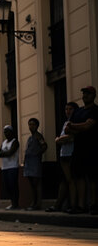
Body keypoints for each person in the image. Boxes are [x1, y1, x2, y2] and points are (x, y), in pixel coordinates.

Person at [66, 86, 98, 214]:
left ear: (93, 96)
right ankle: (81, 205)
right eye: (84, 93)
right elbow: (69, 130)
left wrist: (74, 126)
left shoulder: (95, 110)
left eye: (88, 93)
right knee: (78, 177)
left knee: (93, 178)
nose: (85, 95)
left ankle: (94, 205)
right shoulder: (78, 111)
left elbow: (87, 126)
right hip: (78, 148)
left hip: (92, 148)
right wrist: (76, 128)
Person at [48, 102, 79, 213]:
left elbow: (70, 138)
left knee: (71, 180)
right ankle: (59, 205)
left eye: (70, 109)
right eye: (66, 109)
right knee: (64, 181)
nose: (68, 111)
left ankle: (73, 205)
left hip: (71, 154)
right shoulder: (66, 123)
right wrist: (61, 139)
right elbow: (64, 138)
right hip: (63, 154)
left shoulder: (75, 123)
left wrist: (59, 139)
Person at [23, 118, 47, 211]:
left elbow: (44, 146)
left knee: (36, 183)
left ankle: (37, 203)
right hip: (29, 163)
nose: (31, 126)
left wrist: (37, 153)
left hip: (35, 162)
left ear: (37, 126)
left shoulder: (38, 136)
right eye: (29, 124)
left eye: (33, 124)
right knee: (32, 184)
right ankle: (33, 202)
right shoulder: (30, 138)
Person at [0, 125, 19, 210]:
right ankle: (12, 202)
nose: (6, 133)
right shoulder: (4, 143)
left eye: (7, 131)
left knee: (13, 185)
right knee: (7, 186)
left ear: (11, 132)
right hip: (4, 167)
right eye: (4, 132)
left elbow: (11, 152)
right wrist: (6, 153)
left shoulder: (15, 142)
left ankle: (15, 204)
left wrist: (4, 153)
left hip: (13, 166)